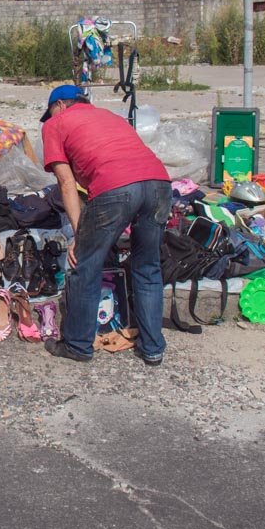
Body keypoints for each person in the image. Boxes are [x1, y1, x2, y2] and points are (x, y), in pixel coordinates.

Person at [39, 84, 171, 367]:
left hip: (116, 187)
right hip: (159, 183)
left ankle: (77, 344)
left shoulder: (55, 124)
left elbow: (66, 183)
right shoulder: (110, 116)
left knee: (85, 265)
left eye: (50, 112)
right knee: (148, 266)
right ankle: (152, 348)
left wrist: (79, 235)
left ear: (59, 105)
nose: (48, 118)